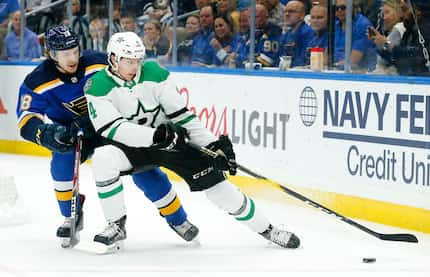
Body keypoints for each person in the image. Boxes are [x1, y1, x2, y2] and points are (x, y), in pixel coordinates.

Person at [84, 31, 300, 249]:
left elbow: (181, 115)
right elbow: (113, 129)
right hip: (132, 148)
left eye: (137, 61)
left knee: (218, 187)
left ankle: (268, 229)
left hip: (172, 142)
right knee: (103, 158)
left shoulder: (155, 73)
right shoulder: (97, 85)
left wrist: (212, 144)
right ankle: (116, 224)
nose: (134, 67)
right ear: (113, 59)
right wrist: (156, 136)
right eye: (129, 61)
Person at [16, 25, 199, 248]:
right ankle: (70, 215)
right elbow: (26, 120)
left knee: (146, 170)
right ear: (51, 54)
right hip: (74, 133)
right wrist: (46, 134)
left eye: (74, 51)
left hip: (112, 125)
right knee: (63, 157)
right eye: (65, 54)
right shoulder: (36, 81)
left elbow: (131, 78)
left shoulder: (97, 61)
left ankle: (178, 218)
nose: (72, 58)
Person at [279, 0, 314, 68]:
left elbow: (305, 61)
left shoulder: (309, 33)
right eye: (285, 11)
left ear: (302, 15)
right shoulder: (286, 35)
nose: (287, 14)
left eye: (291, 11)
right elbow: (279, 58)